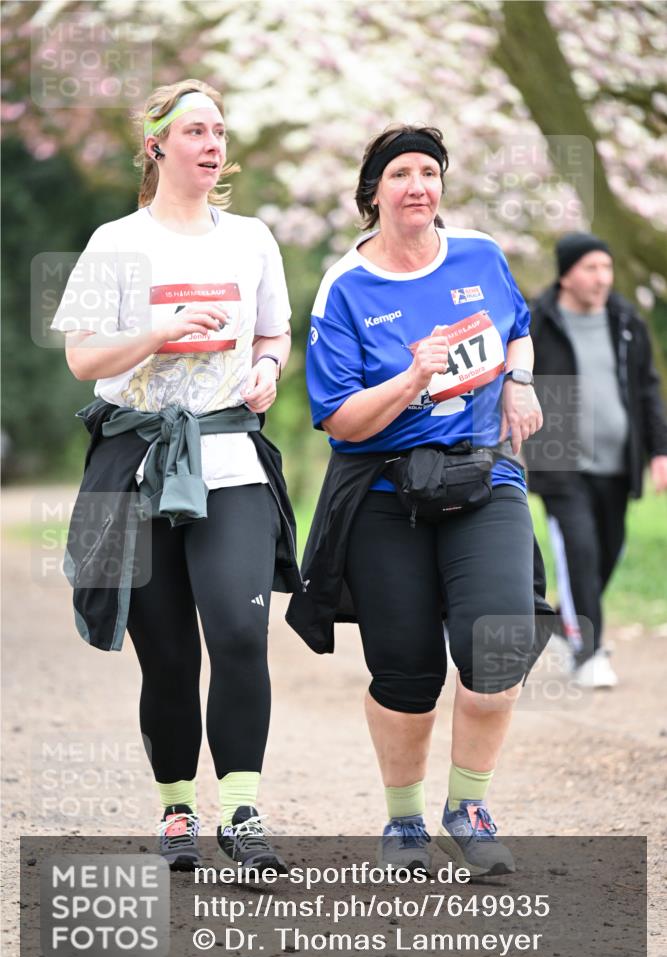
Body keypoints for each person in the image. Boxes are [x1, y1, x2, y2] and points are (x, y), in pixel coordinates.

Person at [287, 124, 551, 876]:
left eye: (428, 172)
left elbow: (518, 332)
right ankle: (403, 823)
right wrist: (410, 379)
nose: (417, 187)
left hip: (480, 476)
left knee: (495, 644)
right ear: (372, 193)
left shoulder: (479, 254)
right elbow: (339, 419)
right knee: (405, 672)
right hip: (383, 492)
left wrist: (517, 381)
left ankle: (467, 807)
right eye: (399, 174)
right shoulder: (346, 286)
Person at [53, 79, 301, 873]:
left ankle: (241, 812)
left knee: (237, 632)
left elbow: (274, 332)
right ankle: (176, 812)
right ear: (157, 143)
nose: (212, 142)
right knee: (166, 657)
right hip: (138, 468)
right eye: (194, 129)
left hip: (228, 460)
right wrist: (157, 330)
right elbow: (83, 357)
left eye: (220, 130)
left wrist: (265, 369)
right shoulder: (114, 241)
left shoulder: (253, 238)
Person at [526, 233, 667, 688]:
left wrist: (660, 450)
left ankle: (568, 625)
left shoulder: (625, 320)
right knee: (580, 550)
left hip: (616, 461)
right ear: (566, 274)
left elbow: (647, 389)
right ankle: (590, 651)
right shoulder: (537, 321)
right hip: (559, 456)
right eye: (591, 268)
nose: (602, 278)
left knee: (608, 550)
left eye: (606, 268)